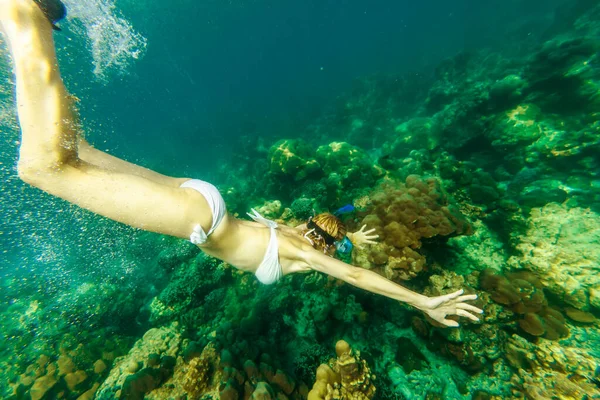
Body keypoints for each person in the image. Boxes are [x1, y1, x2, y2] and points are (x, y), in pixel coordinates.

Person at [0, 0, 483, 327]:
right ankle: (25, 15)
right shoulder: (303, 253)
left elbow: (330, 222)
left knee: (77, 152)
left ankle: (32, 101)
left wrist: (350, 231)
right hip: (198, 218)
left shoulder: (298, 231)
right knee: (42, 168)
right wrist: (422, 302)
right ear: (325, 246)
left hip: (201, 197)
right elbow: (355, 275)